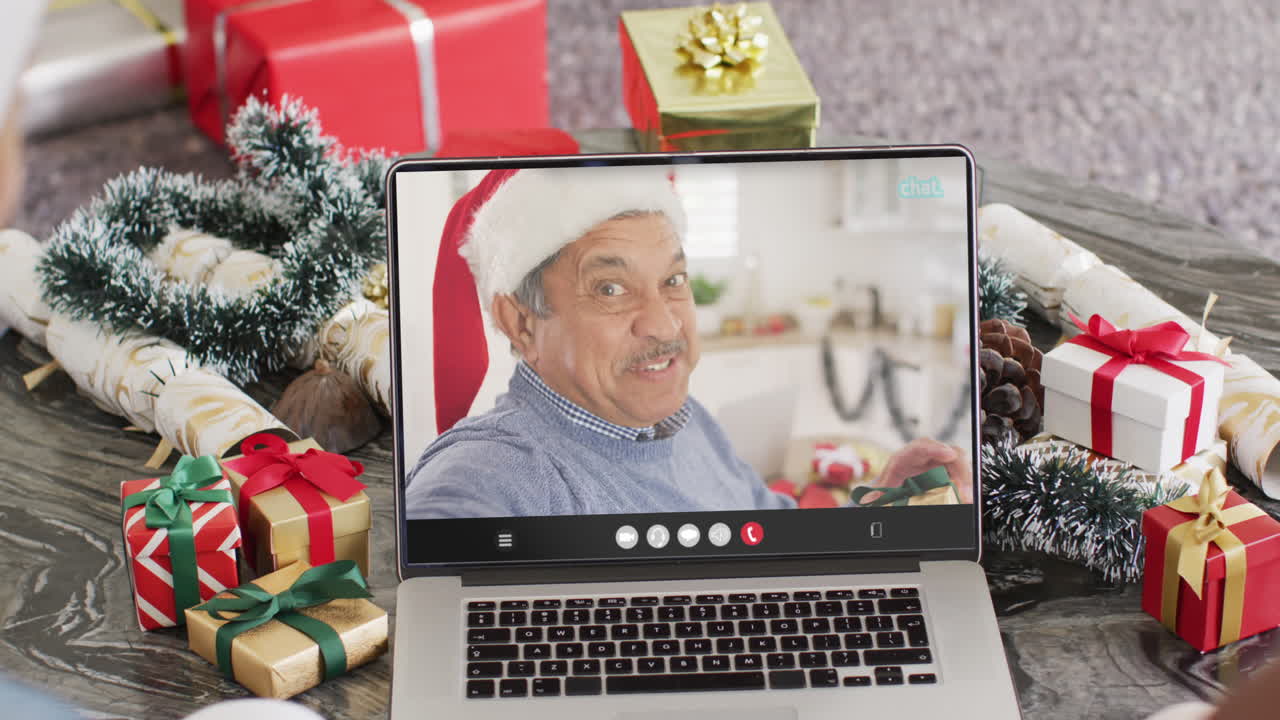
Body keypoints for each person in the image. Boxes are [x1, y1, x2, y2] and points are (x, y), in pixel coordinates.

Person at [404, 166, 972, 520]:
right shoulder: (490, 474)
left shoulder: (688, 420)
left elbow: (772, 530)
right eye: (610, 287)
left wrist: (878, 510)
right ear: (521, 323)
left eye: (673, 281)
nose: (664, 324)